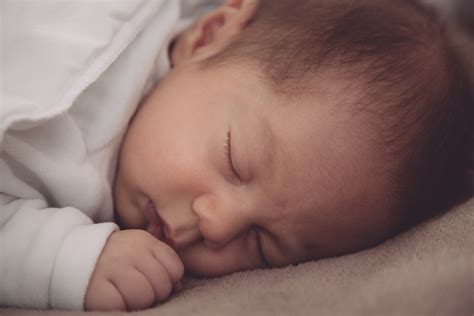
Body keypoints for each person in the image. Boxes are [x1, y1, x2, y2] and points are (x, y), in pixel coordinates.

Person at [1, 0, 472, 312]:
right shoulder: (60, 118)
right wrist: (66, 257)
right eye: (234, 160)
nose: (218, 224)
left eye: (264, 245)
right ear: (208, 34)